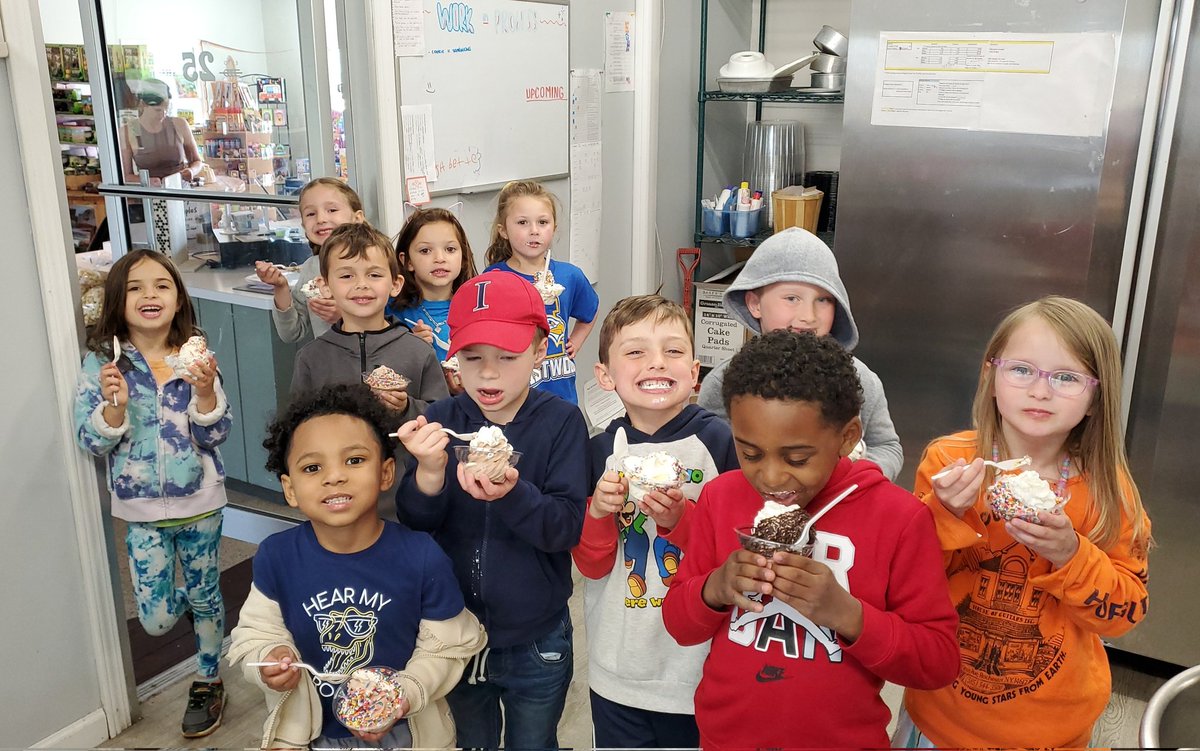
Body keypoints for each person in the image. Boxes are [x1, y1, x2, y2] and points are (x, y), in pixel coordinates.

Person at [662, 330, 960, 749]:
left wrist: (849, 614)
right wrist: (715, 587)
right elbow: (678, 623)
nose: (770, 477)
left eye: (797, 458)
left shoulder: (900, 519)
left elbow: (938, 662)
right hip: (725, 738)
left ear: (848, 437)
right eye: (749, 453)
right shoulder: (721, 496)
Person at [898, 296, 1152, 748]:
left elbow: (1125, 613)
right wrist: (943, 515)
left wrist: (1071, 555)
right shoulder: (949, 462)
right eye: (1021, 370)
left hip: (1052, 728)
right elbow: (904, 582)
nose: (1040, 391)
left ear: (1096, 399)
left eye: (1066, 378)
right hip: (939, 711)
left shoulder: (1111, 495)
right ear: (991, 378)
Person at [228, 384, 488, 749]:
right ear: (290, 489)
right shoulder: (277, 556)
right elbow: (255, 633)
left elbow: (446, 648)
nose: (334, 476)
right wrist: (268, 657)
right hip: (312, 737)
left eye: (354, 460)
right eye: (312, 467)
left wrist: (405, 694)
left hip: (406, 732)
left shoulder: (421, 556)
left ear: (386, 473)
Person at [393, 270, 589, 750]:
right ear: (453, 356)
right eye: (473, 357)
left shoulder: (561, 423)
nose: (488, 373)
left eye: (508, 356)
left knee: (534, 743)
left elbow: (565, 528)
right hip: (454, 632)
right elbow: (417, 522)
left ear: (541, 351)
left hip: (537, 635)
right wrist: (430, 474)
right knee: (471, 742)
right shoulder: (441, 419)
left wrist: (511, 493)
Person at [73, 249, 231, 738]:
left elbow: (216, 433)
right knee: (157, 618)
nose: (150, 295)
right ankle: (200, 605)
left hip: (201, 501)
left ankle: (209, 679)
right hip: (140, 509)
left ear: (178, 296)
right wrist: (113, 410)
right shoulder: (103, 362)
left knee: (206, 594)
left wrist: (206, 393)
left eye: (162, 285)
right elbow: (89, 439)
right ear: (118, 299)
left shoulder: (195, 351)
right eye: (137, 287)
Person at [572, 294, 739, 749]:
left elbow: (734, 548)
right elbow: (590, 565)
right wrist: (601, 513)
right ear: (605, 375)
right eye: (635, 352)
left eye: (672, 350)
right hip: (618, 664)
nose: (656, 363)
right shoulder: (598, 452)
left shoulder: (719, 442)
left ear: (694, 372)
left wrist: (682, 519)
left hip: (697, 667)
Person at [696, 227, 904, 480]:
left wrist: (853, 480)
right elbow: (712, 456)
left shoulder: (861, 379)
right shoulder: (723, 382)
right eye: (792, 298)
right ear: (755, 304)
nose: (808, 316)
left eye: (824, 300)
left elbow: (887, 447)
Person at [483, 180, 599, 404]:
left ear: (553, 228)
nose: (534, 231)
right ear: (503, 230)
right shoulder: (494, 279)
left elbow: (590, 310)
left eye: (543, 222)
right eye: (523, 222)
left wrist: (576, 340)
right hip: (514, 394)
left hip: (561, 391)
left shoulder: (569, 275)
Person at [256, 178, 365, 343]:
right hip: (329, 365)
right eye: (311, 214)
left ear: (357, 218)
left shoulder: (375, 264)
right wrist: (281, 287)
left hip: (376, 364)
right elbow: (292, 333)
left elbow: (395, 322)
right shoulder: (311, 268)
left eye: (332, 210)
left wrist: (347, 317)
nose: (320, 219)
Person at [390, 206, 479, 386]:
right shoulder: (391, 310)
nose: (440, 258)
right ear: (406, 261)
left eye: (450, 249)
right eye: (425, 251)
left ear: (463, 258)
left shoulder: (479, 307)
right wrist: (408, 346)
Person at [120, 78, 202, 186]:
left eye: (166, 109)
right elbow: (126, 176)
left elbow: (197, 161)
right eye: (157, 110)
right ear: (143, 104)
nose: (163, 114)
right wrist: (148, 181)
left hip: (179, 189)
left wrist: (191, 171)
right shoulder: (129, 130)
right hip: (149, 194)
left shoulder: (179, 124)